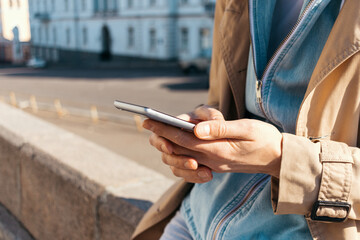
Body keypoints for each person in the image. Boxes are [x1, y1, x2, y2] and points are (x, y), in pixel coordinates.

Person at [132, 0, 360, 239]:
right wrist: (202, 128)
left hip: (311, 230)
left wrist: (280, 158)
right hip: (197, 214)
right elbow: (223, 100)